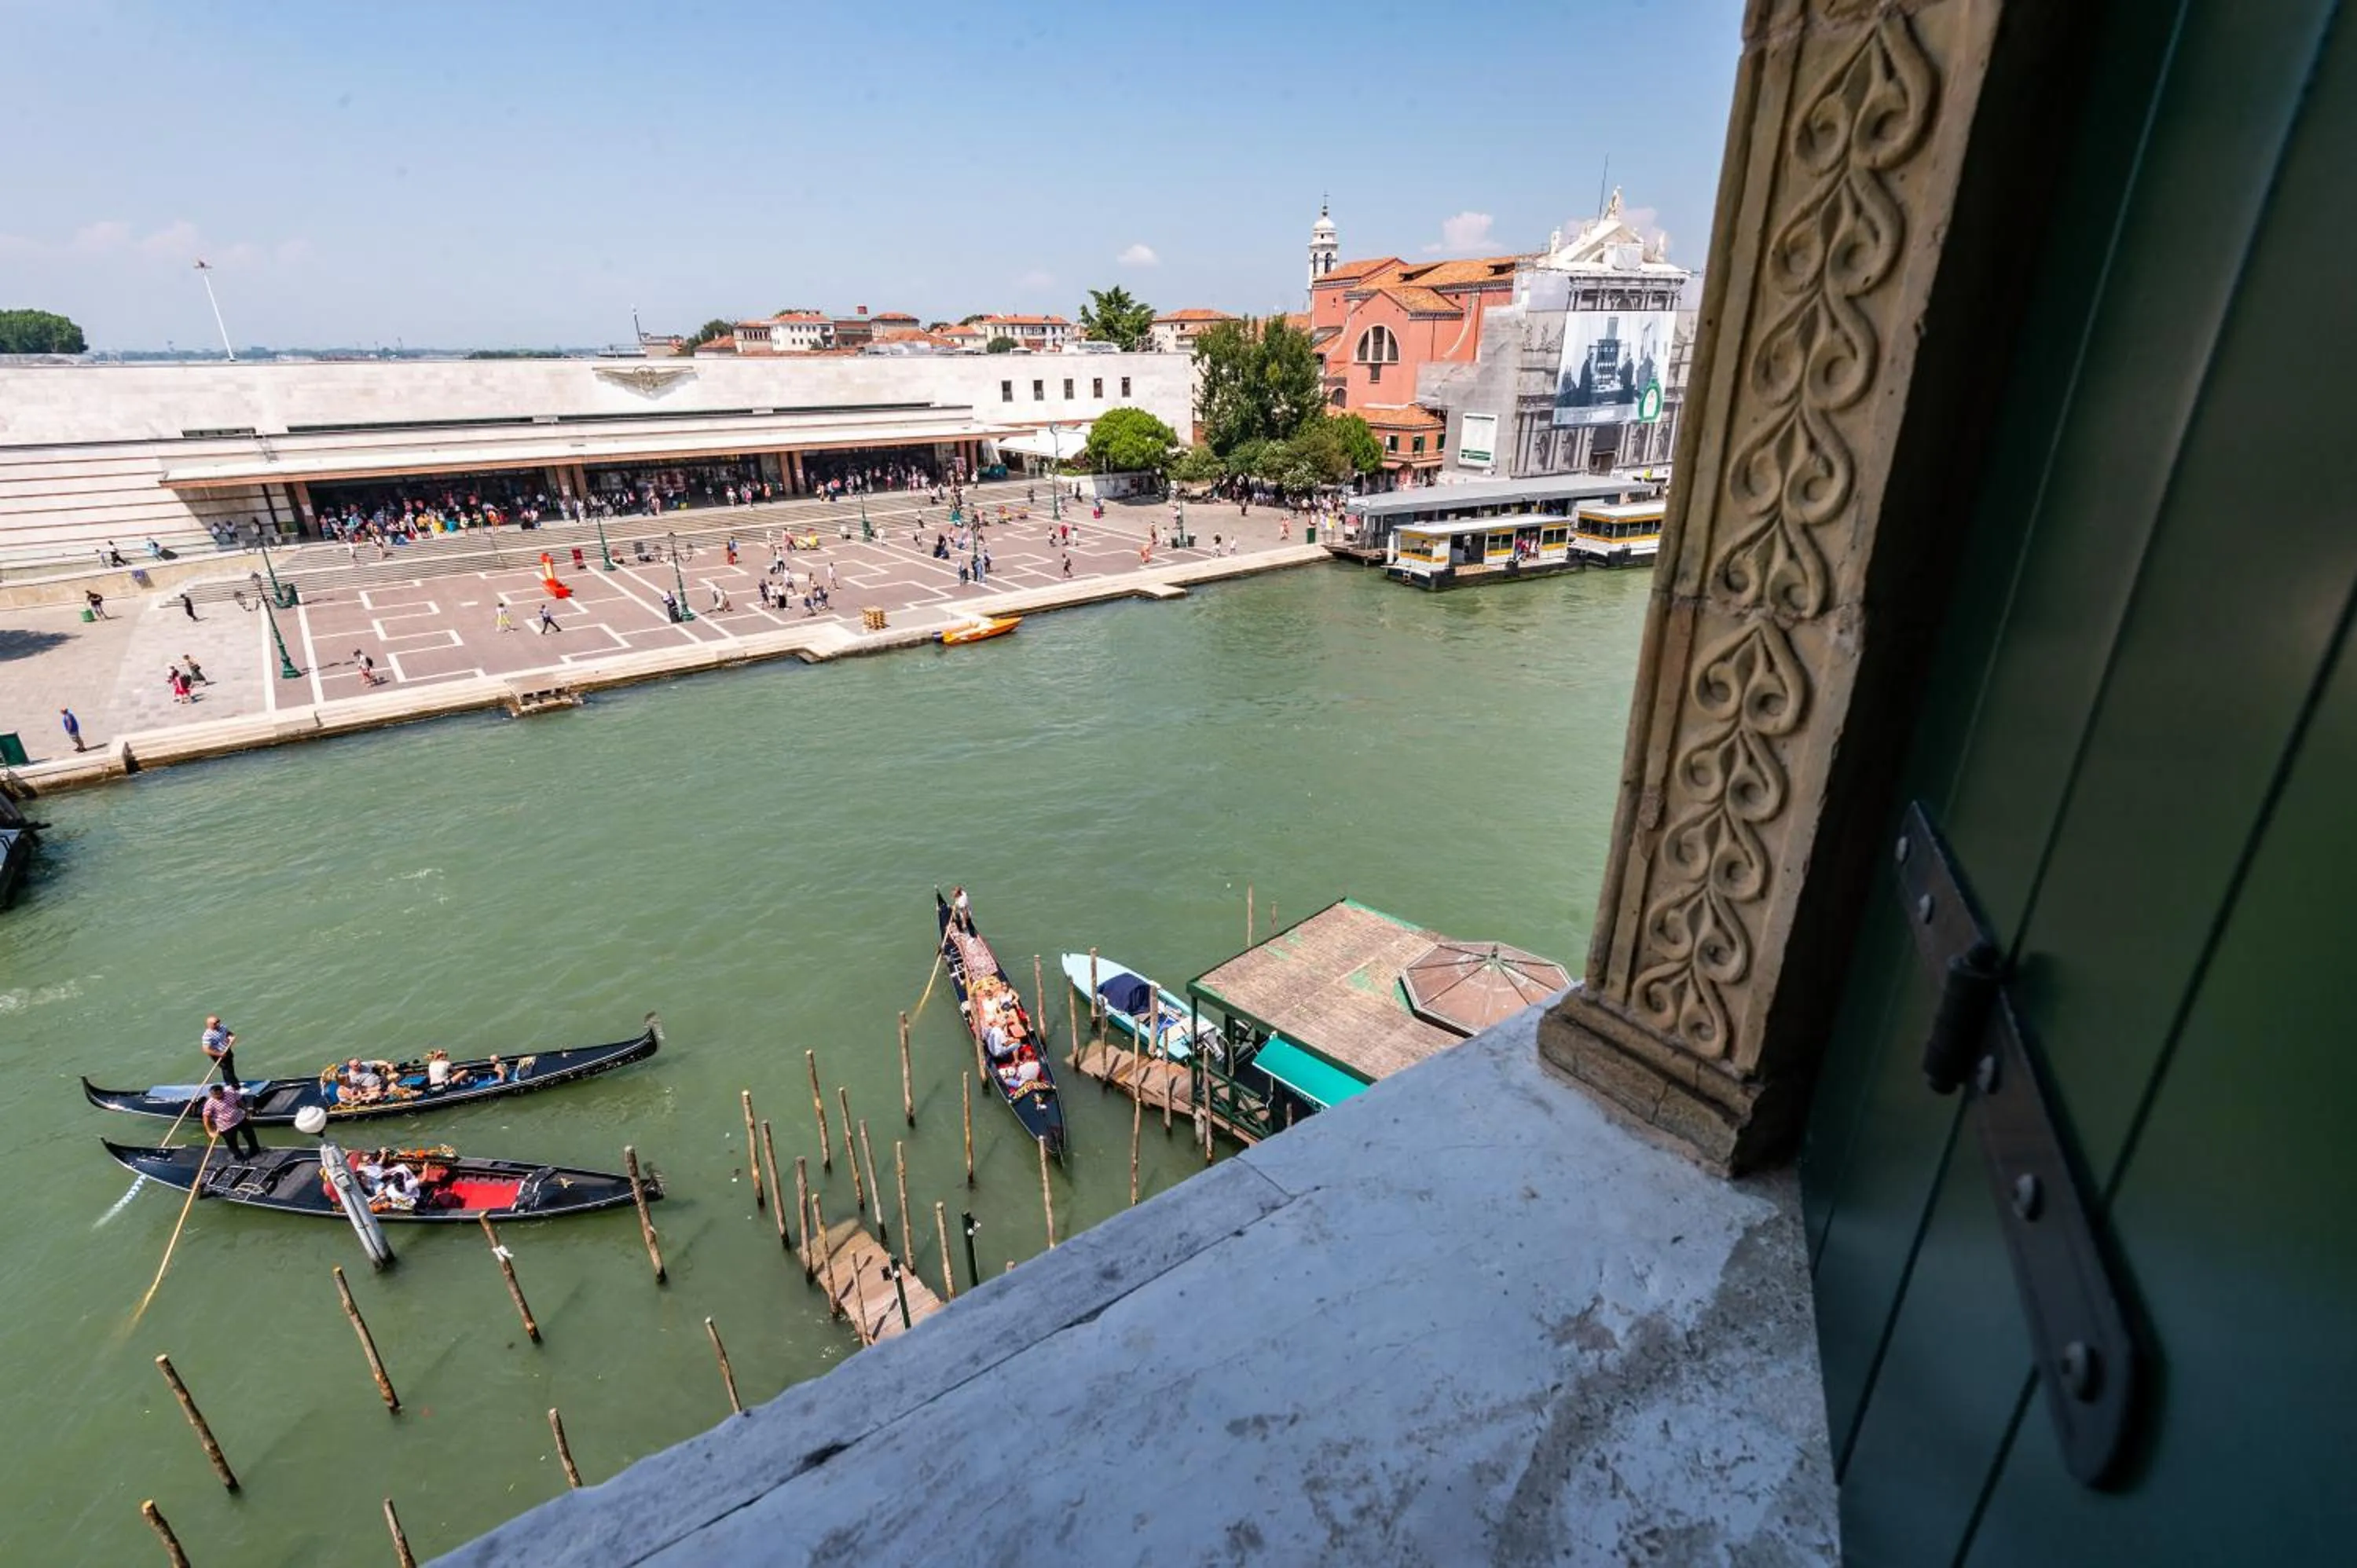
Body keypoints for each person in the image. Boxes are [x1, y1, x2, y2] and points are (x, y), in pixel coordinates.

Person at [201, 1083, 262, 1160]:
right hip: (225, 1125)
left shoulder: (231, 1092)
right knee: (232, 1143)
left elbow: (239, 1102)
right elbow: (206, 1118)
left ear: (223, 1091)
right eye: (215, 1095)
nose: (217, 1097)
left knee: (250, 1135)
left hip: (239, 1118)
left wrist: (246, 1111)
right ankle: (240, 1157)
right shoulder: (210, 1103)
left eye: (219, 1094)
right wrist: (210, 1132)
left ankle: (255, 1150)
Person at [201, 1015, 240, 1086]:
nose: (218, 1024)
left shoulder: (222, 1027)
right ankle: (235, 1087)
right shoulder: (207, 1036)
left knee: (230, 1068)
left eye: (218, 1021)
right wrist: (220, 1054)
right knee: (227, 1070)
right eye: (215, 1023)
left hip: (227, 1050)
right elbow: (206, 1050)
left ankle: (231, 1084)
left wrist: (231, 1037)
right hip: (218, 1054)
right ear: (209, 1025)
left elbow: (229, 1033)